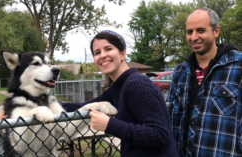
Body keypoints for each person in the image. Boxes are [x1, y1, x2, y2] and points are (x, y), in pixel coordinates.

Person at [61, 30, 178, 156]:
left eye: (108, 49)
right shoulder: (118, 87)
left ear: (123, 54)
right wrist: (44, 104)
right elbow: (82, 107)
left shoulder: (136, 83)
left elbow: (160, 134)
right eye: (97, 52)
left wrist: (110, 125)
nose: (102, 55)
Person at [167, 7, 242, 157]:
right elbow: (170, 116)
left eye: (201, 30)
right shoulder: (180, 71)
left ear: (216, 31)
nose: (194, 37)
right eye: (189, 32)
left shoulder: (238, 66)